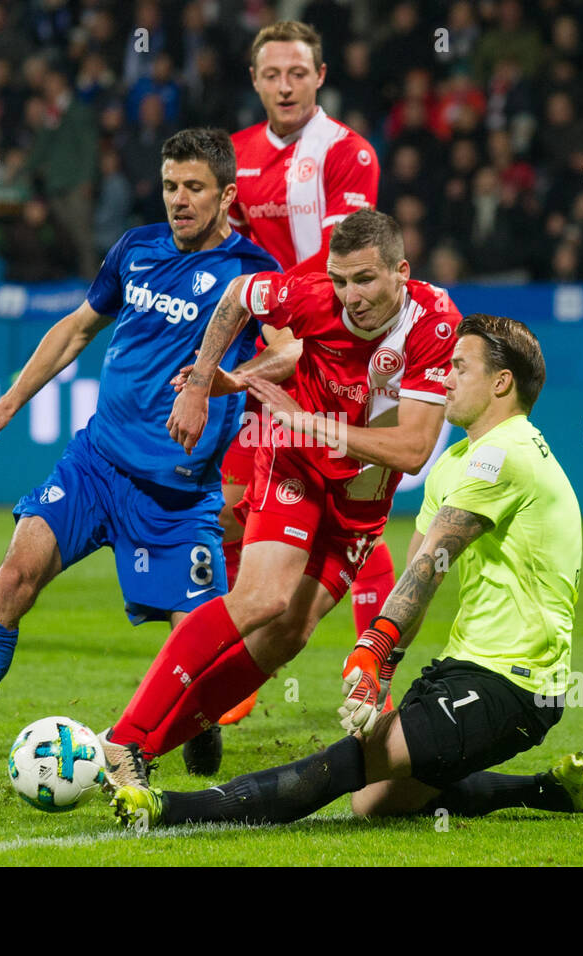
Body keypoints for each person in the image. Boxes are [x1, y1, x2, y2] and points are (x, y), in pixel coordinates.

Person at [110, 314, 583, 826]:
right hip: (463, 667)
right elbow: (416, 567)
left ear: (502, 382)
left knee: (348, 764)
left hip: (516, 684)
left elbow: (432, 567)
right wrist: (386, 667)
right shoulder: (458, 461)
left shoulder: (505, 455)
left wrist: (373, 647)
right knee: (375, 802)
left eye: (460, 367)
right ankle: (554, 788)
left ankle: (167, 808)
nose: (444, 377)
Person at [0, 128, 288, 788]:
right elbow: (78, 327)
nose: (179, 200)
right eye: (170, 186)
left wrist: (231, 379)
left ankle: (198, 724)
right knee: (13, 577)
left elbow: (290, 353)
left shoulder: (253, 271)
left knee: (203, 643)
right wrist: (9, 402)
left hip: (175, 494)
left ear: (226, 193)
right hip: (95, 465)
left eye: (194, 188)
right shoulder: (135, 249)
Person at [97, 209, 459, 789]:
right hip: (293, 461)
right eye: (341, 280)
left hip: (359, 499)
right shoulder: (313, 294)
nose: (350, 296)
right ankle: (126, 740)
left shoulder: (435, 324)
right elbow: (240, 295)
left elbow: (414, 449)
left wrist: (311, 420)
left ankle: (148, 747)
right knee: (262, 597)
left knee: (289, 632)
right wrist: (206, 380)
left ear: (402, 272)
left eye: (365, 280)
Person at [202, 21, 390, 747]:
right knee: (229, 506)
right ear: (255, 80)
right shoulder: (238, 155)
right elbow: (232, 251)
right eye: (272, 74)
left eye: (297, 73)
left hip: (330, 353)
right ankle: (240, 665)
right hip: (270, 346)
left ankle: (370, 655)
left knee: (339, 502)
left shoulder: (347, 154)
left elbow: (341, 265)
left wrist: (286, 328)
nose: (285, 85)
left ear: (320, 77)